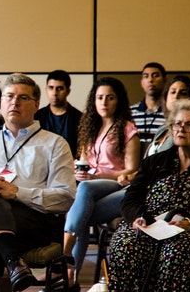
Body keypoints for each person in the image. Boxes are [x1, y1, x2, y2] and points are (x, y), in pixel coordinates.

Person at [0, 73, 76, 292]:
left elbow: (65, 198)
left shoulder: (54, 144)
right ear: (1, 103)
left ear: (37, 104)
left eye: (23, 98)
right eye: (9, 96)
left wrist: (17, 193)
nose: (14, 102)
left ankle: (10, 260)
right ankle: (13, 260)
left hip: (31, 220)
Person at [108, 99, 190, 291]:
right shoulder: (154, 162)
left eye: (189, 125)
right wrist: (138, 217)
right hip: (150, 224)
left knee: (176, 250)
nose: (181, 129)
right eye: (177, 124)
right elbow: (131, 198)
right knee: (125, 243)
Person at [62, 77, 140, 289]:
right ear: (93, 101)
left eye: (110, 98)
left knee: (85, 191)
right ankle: (72, 279)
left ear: (119, 101)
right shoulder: (89, 127)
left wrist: (96, 177)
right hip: (91, 189)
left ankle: (64, 254)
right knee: (83, 214)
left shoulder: (127, 128)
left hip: (117, 184)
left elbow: (132, 170)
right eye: (99, 98)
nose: (104, 102)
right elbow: (83, 161)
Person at [143, 75, 190, 157]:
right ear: (166, 98)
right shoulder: (162, 129)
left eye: (183, 93)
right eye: (173, 92)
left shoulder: (188, 129)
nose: (176, 96)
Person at [35, 70, 83, 158]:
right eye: (51, 88)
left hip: (70, 166)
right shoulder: (36, 117)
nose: (54, 93)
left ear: (68, 91)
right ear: (46, 89)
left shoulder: (80, 118)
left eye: (59, 88)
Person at [130, 62, 167, 145]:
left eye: (155, 76)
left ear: (165, 80)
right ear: (142, 82)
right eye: (146, 76)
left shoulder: (170, 113)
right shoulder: (130, 113)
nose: (150, 80)